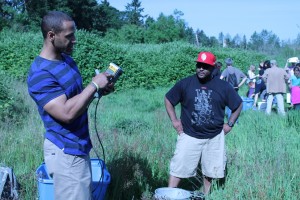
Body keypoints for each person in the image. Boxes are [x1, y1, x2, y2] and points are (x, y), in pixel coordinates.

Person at [27, 11, 114, 200]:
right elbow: (66, 112)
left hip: (79, 145)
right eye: (69, 36)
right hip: (65, 151)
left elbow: (77, 99)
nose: (74, 40)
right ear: (51, 35)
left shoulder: (67, 61)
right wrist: (94, 85)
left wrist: (98, 91)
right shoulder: (40, 74)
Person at [165, 51, 243, 195]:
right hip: (189, 134)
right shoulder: (185, 83)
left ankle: (206, 196)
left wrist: (230, 124)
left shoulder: (223, 87)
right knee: (178, 167)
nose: (201, 68)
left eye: (205, 66)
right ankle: (169, 195)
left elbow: (238, 105)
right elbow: (169, 99)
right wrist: (175, 121)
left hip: (214, 136)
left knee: (210, 171)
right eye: (199, 65)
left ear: (213, 68)